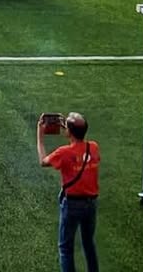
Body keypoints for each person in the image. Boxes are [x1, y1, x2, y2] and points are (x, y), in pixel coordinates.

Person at [38, 112, 100, 272]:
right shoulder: (94, 147)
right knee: (88, 243)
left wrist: (40, 135)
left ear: (69, 132)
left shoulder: (64, 152)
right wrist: (70, 127)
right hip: (91, 203)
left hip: (72, 204)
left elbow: (43, 161)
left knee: (65, 248)